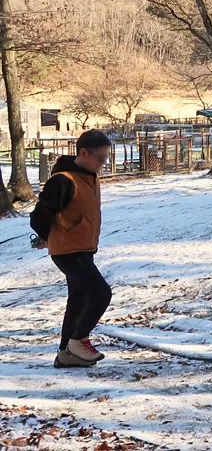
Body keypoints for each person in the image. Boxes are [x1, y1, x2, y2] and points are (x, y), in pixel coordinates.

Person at [30, 129, 114, 368]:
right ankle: (78, 341)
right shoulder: (63, 180)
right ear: (84, 153)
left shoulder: (89, 176)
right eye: (101, 158)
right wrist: (50, 237)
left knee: (78, 299)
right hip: (68, 250)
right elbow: (38, 217)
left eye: (106, 157)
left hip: (83, 248)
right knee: (100, 293)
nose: (103, 163)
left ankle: (66, 353)